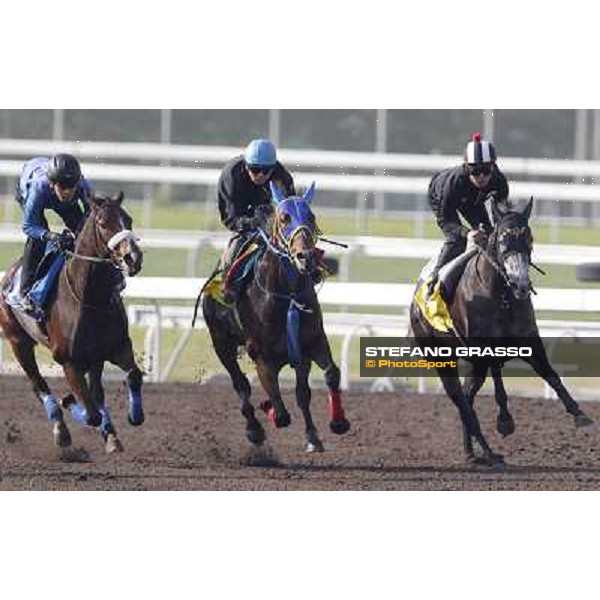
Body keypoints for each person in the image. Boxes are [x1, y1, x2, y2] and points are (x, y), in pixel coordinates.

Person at [426, 132, 510, 299]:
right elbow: (446, 221)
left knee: (489, 234)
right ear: (466, 168)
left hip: (473, 199)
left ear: (493, 167)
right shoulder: (453, 184)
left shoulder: (499, 181)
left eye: (486, 170)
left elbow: (503, 213)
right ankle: (434, 281)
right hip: (441, 196)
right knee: (457, 240)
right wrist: (467, 232)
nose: (481, 176)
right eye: (475, 171)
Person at [216, 139, 295, 300]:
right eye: (254, 169)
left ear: (273, 168)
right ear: (246, 165)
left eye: (266, 171)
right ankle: (226, 283)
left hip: (268, 213)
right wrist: (252, 223)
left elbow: (291, 213)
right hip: (240, 212)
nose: (260, 175)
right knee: (236, 246)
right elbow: (231, 219)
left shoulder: (282, 177)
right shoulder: (231, 176)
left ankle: (310, 272)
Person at [15, 154, 92, 311]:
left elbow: (90, 219)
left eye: (71, 186)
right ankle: (24, 292)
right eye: (62, 187)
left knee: (83, 234)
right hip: (30, 188)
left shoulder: (83, 187)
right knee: (37, 239)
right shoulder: (38, 188)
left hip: (54, 195)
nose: (67, 192)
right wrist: (51, 236)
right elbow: (29, 226)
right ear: (52, 183)